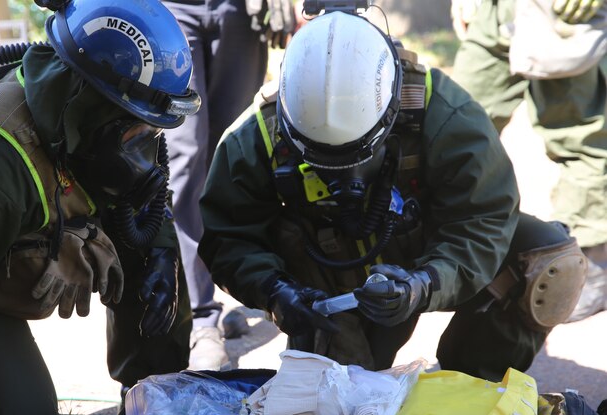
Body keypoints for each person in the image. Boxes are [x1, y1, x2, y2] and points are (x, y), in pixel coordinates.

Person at [198, 10, 588, 383]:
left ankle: (468, 391)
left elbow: (483, 223)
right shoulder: (256, 133)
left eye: (357, 155)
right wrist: (276, 292)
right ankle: (333, 364)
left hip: (421, 254)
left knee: (550, 262)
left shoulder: (444, 112)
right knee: (343, 414)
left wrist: (424, 284)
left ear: (391, 112)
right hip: (322, 282)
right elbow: (228, 238)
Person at [0, 0, 200, 415]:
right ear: (91, 101)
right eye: (136, 129)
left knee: (152, 256)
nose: (144, 148)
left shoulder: (82, 126)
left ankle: (152, 403)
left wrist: (159, 254)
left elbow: (144, 209)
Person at [451, 0, 607, 323]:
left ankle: (589, 263)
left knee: (579, 134)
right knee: (457, 127)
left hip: (567, 12)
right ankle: (458, 249)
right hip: (495, 10)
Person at [160, 0, 294, 370]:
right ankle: (201, 319)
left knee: (237, 152)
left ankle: (250, 284)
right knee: (184, 155)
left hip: (239, 13)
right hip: (171, 11)